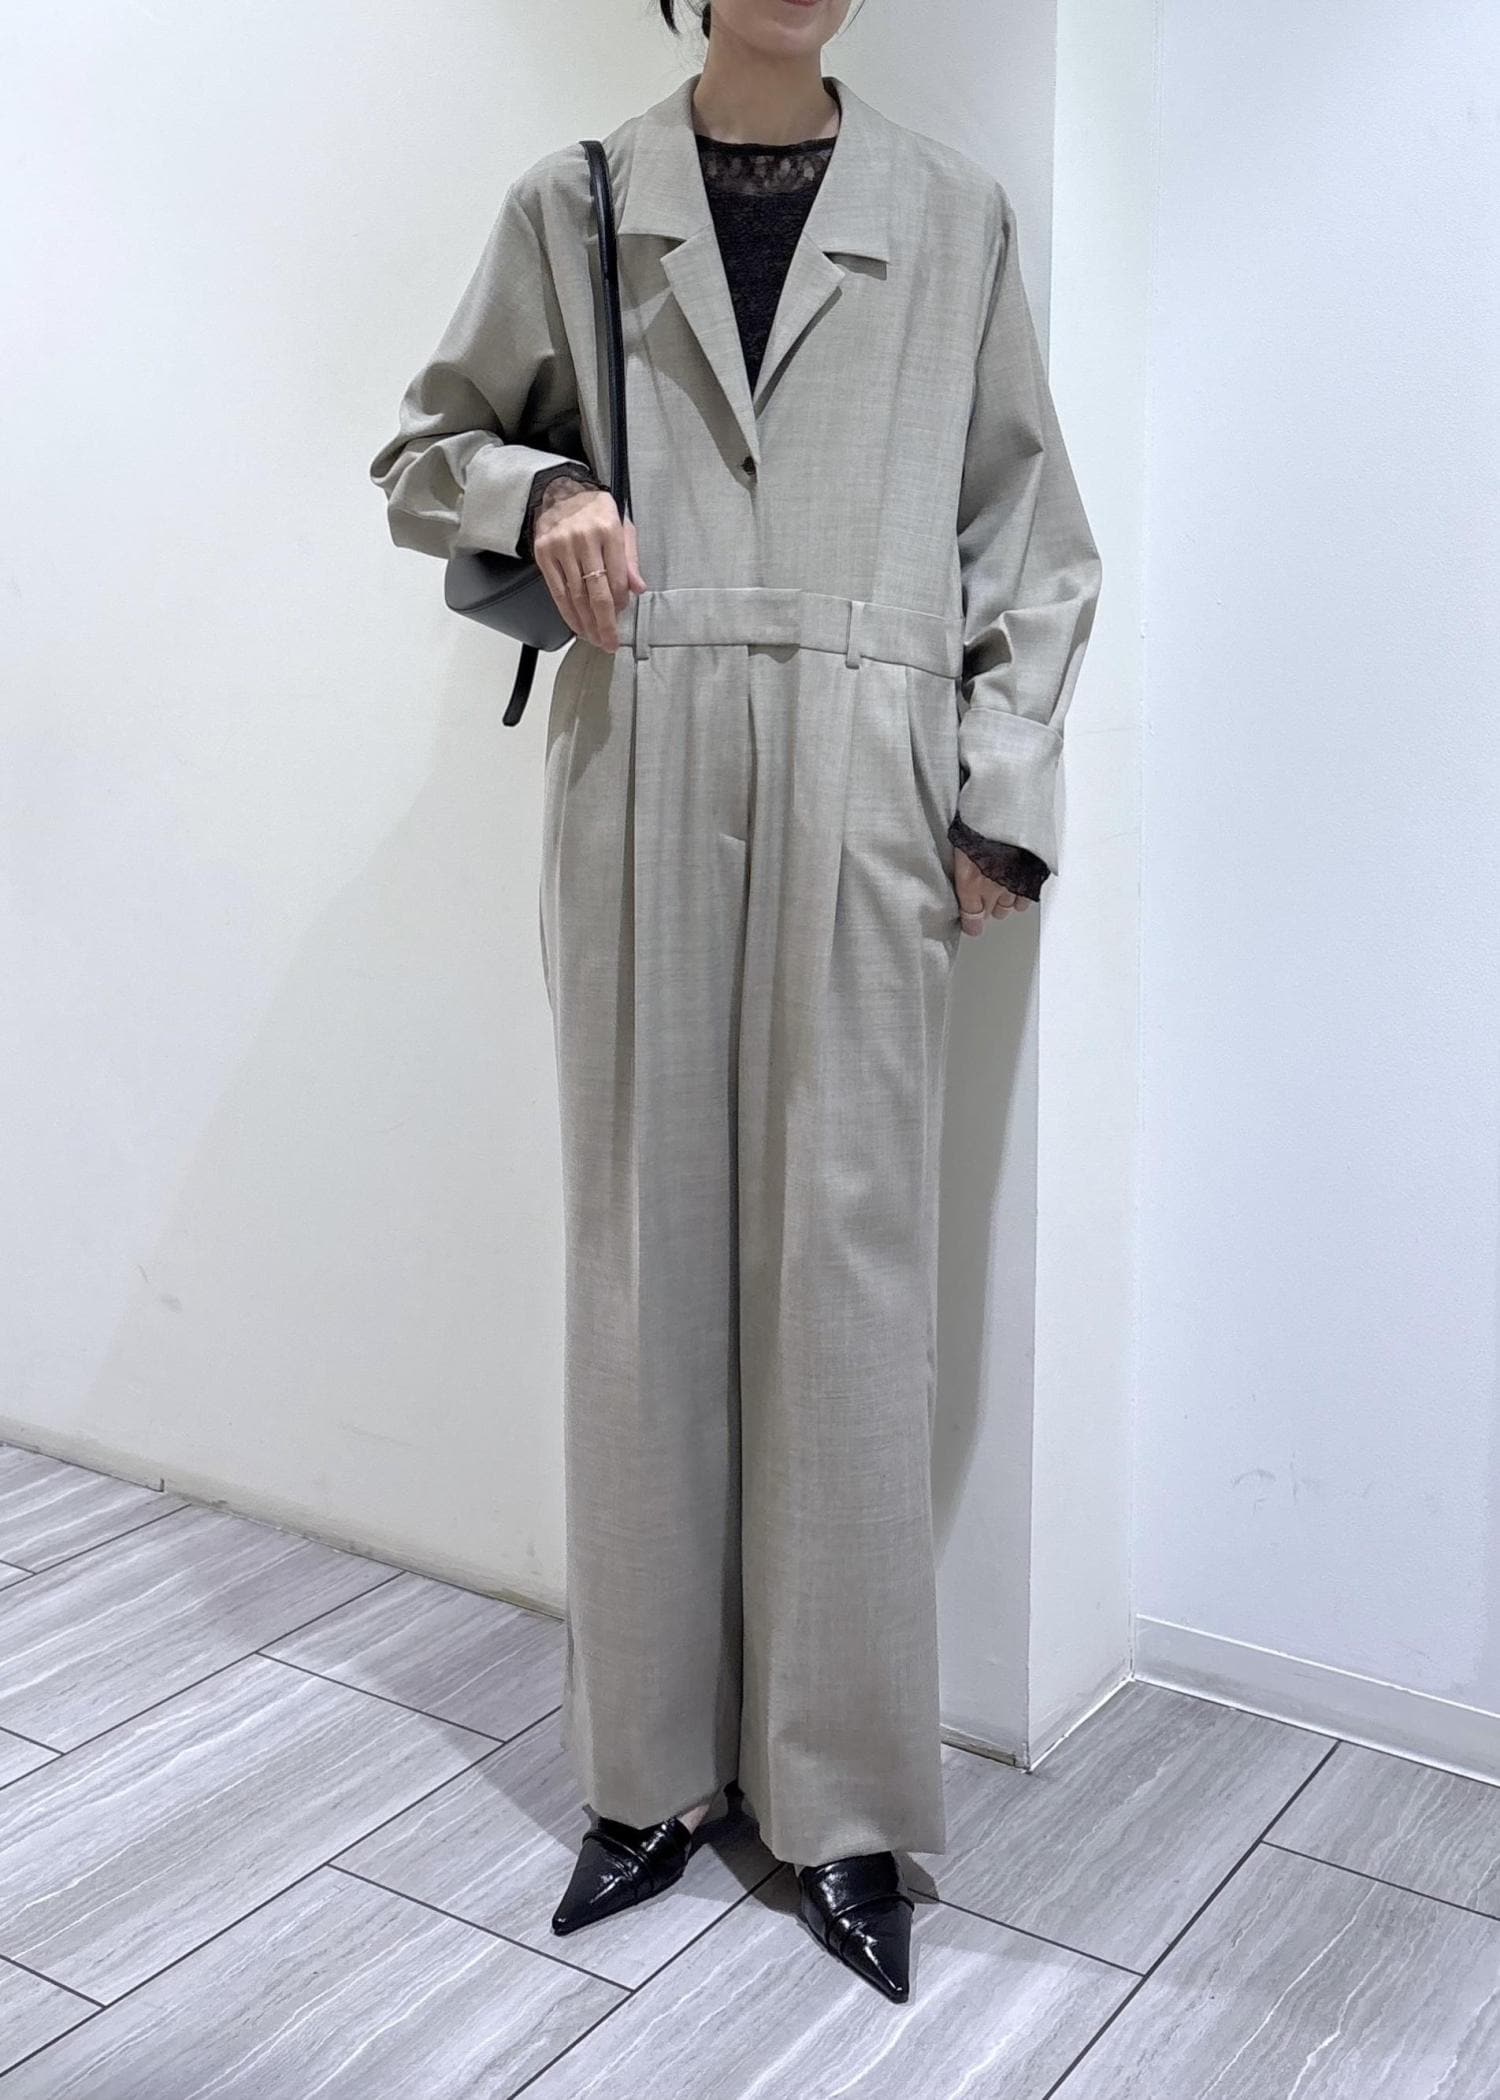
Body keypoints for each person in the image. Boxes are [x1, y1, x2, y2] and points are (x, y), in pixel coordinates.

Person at [368, 0, 1102, 2007]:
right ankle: (651, 1772)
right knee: (644, 1270)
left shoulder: (953, 215)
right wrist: (540, 490)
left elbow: (1030, 542)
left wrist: (1001, 799)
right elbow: (421, 456)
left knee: (848, 1275)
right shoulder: (578, 202)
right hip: (645, 759)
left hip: (870, 778)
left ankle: (845, 1801)